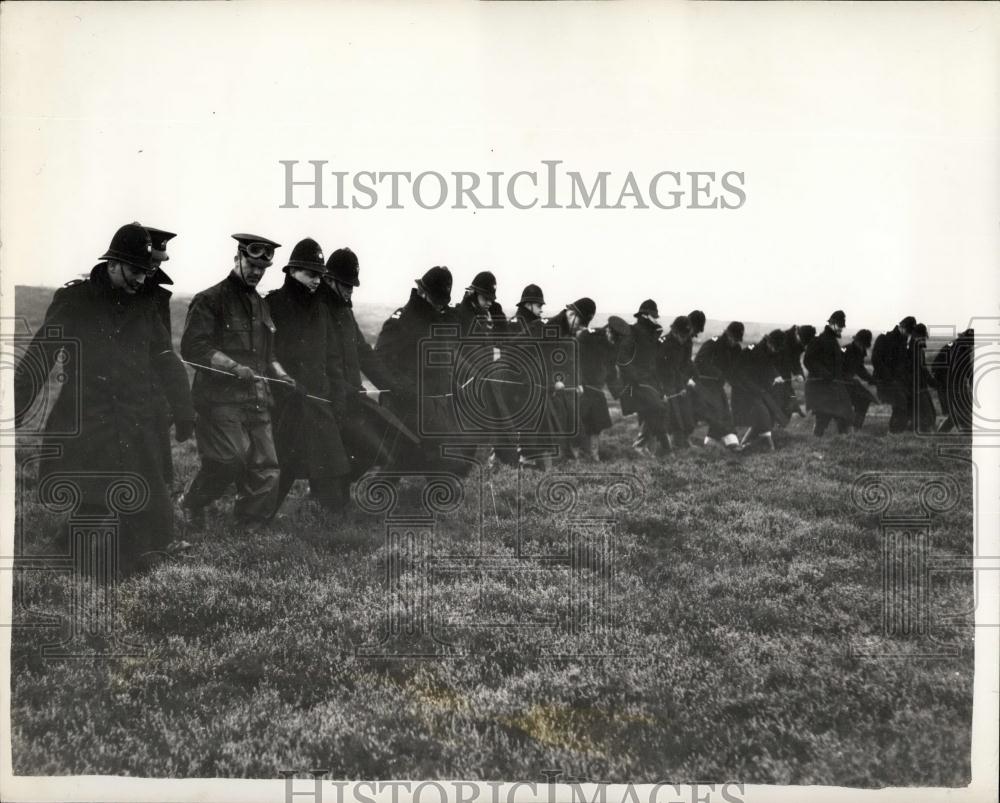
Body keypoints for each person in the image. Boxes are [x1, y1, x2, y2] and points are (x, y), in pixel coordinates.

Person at [14, 223, 195, 577]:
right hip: (88, 418)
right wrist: (15, 406)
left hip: (134, 418)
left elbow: (164, 357)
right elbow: (42, 354)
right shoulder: (75, 300)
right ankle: (91, 562)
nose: (141, 281)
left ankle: (124, 560)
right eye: (133, 271)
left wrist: (184, 408)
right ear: (112, 263)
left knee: (151, 506)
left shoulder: (144, 304)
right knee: (97, 496)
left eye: (145, 272)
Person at [179, 233, 298, 530]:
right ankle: (191, 503)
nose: (257, 273)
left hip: (257, 398)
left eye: (262, 268)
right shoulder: (209, 300)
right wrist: (232, 366)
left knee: (267, 466)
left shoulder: (261, 304)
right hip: (220, 400)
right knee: (229, 461)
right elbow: (194, 348)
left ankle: (248, 527)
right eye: (252, 265)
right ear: (238, 259)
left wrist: (282, 376)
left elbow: (268, 354)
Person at [266, 238, 351, 513]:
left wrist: (337, 397)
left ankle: (333, 529)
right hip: (285, 403)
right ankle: (255, 518)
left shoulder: (321, 310)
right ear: (291, 271)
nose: (317, 281)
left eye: (320, 275)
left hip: (319, 402)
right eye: (311, 274)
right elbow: (266, 355)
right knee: (282, 469)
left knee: (330, 471)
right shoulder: (272, 304)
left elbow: (333, 359)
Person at [319, 247, 408, 487]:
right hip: (328, 399)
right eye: (346, 284)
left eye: (352, 286)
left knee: (375, 449)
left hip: (351, 397)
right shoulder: (317, 310)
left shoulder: (345, 311)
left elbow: (364, 353)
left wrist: (391, 386)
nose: (349, 291)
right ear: (329, 280)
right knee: (330, 459)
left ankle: (331, 495)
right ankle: (327, 500)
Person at [375, 266, 463, 472]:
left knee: (448, 461)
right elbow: (379, 360)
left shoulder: (439, 316)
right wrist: (406, 390)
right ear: (423, 292)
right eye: (436, 300)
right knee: (397, 461)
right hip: (403, 404)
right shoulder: (402, 320)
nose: (440, 307)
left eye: (443, 302)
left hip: (434, 405)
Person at [138, 225, 184, 487]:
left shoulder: (158, 294)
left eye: (159, 261)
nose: (154, 266)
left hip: (153, 386)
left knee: (154, 466)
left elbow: (164, 346)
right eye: (150, 260)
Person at [452, 271, 513, 463]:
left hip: (487, 376)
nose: (489, 302)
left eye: (491, 298)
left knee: (491, 422)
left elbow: (504, 336)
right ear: (473, 293)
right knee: (468, 427)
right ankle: (465, 465)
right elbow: (453, 350)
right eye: (485, 298)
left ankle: (488, 463)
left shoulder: (489, 312)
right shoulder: (459, 315)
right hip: (466, 378)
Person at [618, 299, 671, 457]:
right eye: (654, 316)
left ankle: (644, 448)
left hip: (651, 381)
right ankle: (661, 447)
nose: (656, 319)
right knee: (657, 408)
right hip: (637, 382)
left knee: (652, 411)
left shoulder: (653, 334)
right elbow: (623, 357)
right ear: (646, 316)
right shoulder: (632, 332)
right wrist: (634, 377)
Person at [575, 315, 628, 461]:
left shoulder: (614, 344)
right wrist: (577, 383)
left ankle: (594, 456)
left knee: (597, 423)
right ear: (609, 331)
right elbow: (574, 360)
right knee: (579, 422)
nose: (615, 342)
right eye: (614, 337)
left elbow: (611, 368)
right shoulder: (588, 337)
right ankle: (576, 456)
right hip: (582, 387)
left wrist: (619, 391)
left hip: (597, 389)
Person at [731, 329, 789, 451]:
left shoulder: (768, 352)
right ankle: (769, 446)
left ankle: (745, 443)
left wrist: (776, 375)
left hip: (758, 389)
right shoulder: (753, 350)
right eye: (774, 347)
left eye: (777, 348)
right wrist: (755, 386)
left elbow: (768, 367)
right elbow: (739, 371)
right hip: (744, 389)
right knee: (763, 414)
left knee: (769, 413)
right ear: (769, 342)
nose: (775, 350)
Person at [691, 321, 744, 450]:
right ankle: (731, 443)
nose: (733, 342)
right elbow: (698, 362)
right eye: (732, 338)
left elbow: (734, 369)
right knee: (717, 411)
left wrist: (737, 382)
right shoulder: (712, 344)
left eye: (736, 340)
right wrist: (717, 372)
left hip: (717, 385)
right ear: (727, 334)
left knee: (724, 411)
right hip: (703, 384)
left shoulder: (736, 349)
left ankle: (711, 442)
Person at [803, 310, 853, 436]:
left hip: (834, 386)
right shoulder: (819, 340)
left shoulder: (833, 341)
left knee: (844, 413)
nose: (841, 329)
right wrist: (824, 374)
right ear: (833, 324)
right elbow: (808, 360)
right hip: (821, 387)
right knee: (824, 416)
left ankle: (845, 440)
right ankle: (818, 439)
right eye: (840, 326)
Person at [657, 315, 698, 449]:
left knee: (686, 414)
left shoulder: (685, 342)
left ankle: (683, 442)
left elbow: (685, 364)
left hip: (679, 381)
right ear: (675, 331)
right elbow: (657, 368)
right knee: (673, 416)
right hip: (665, 383)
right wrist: (662, 389)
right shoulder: (664, 343)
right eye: (682, 335)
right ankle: (671, 446)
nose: (684, 339)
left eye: (686, 336)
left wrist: (688, 380)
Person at [872, 315, 916, 433]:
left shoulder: (902, 342)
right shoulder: (884, 338)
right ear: (901, 327)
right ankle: (894, 432)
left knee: (907, 402)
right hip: (885, 381)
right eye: (908, 331)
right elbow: (876, 360)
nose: (908, 335)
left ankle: (897, 431)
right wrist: (889, 377)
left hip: (897, 381)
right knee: (901, 404)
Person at [936, 328, 974, 434]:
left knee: (962, 408)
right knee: (963, 407)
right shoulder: (961, 347)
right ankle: (964, 430)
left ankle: (946, 431)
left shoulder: (956, 344)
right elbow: (963, 367)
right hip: (952, 382)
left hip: (947, 381)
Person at [842, 328, 878, 430]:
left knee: (865, 399)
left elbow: (860, 369)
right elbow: (834, 366)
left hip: (850, 383)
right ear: (857, 341)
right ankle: (847, 428)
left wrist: (871, 380)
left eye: (864, 345)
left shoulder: (860, 352)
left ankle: (856, 428)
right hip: (839, 383)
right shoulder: (844, 349)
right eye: (861, 344)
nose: (862, 347)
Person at [775, 324, 815, 418]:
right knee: (777, 400)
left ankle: (791, 411)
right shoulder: (782, 339)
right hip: (772, 374)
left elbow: (795, 361)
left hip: (785, 376)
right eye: (802, 342)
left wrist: (799, 374)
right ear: (797, 334)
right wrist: (776, 375)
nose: (803, 345)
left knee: (789, 398)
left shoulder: (799, 343)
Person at [910, 322, 938, 433]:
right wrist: (933, 382)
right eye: (922, 336)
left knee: (930, 414)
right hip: (916, 386)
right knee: (928, 415)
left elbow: (922, 368)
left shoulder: (916, 348)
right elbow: (921, 368)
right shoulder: (914, 349)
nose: (924, 339)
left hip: (920, 385)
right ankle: (922, 435)